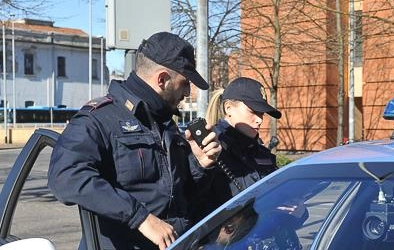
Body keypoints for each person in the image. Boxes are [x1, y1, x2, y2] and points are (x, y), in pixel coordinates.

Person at [47, 32, 221, 250]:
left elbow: (181, 200)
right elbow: (65, 177)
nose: (187, 92)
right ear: (162, 80)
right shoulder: (99, 119)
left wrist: (199, 165)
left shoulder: (166, 124)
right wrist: (140, 217)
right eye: (185, 83)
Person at [198, 77, 282, 219]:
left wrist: (296, 210)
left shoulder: (261, 152)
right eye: (253, 111)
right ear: (228, 108)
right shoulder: (210, 149)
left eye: (261, 113)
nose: (260, 119)